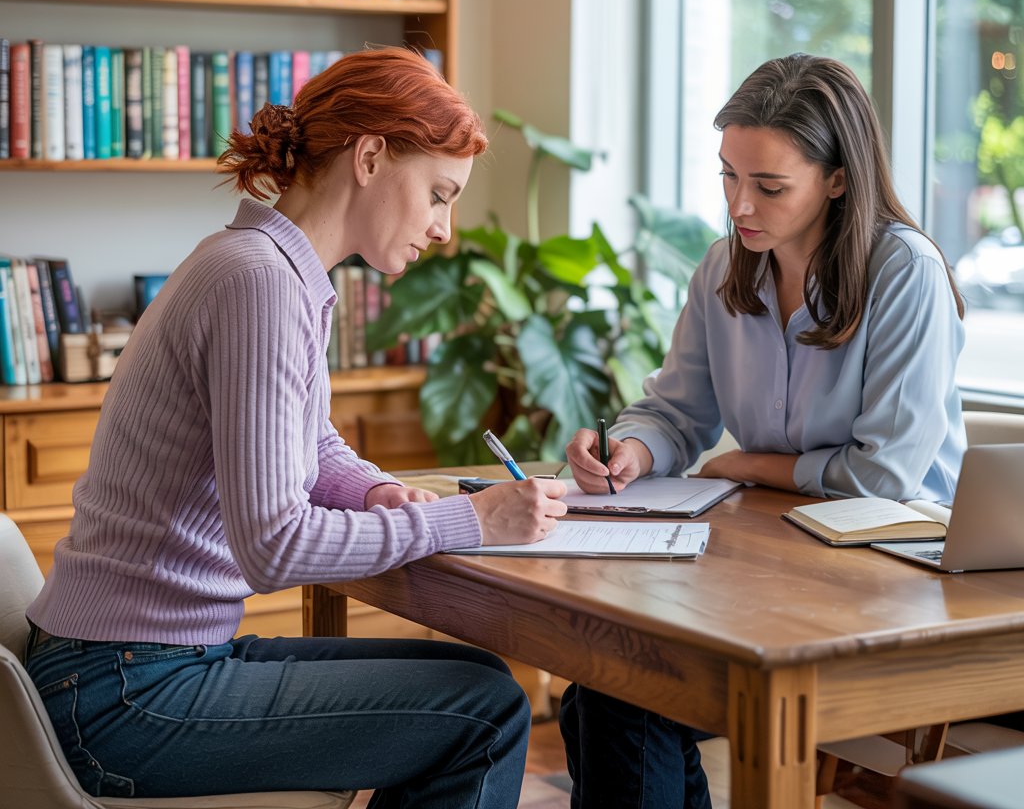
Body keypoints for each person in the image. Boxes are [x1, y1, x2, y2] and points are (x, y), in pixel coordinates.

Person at [24, 46, 568, 807]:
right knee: (484, 715)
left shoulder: (267, 268)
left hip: (122, 667)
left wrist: (375, 490)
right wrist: (468, 520)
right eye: (440, 194)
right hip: (124, 692)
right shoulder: (259, 283)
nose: (445, 228)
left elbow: (307, 443)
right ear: (372, 157)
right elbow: (276, 543)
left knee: (478, 680)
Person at [559, 53, 966, 809]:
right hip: (774, 557)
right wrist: (631, 449)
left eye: (769, 186)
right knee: (606, 679)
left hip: (897, 579)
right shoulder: (723, 269)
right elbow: (676, 411)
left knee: (625, 694)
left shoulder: (905, 270)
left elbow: (886, 478)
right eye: (728, 176)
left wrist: (747, 462)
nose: (740, 205)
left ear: (838, 179)